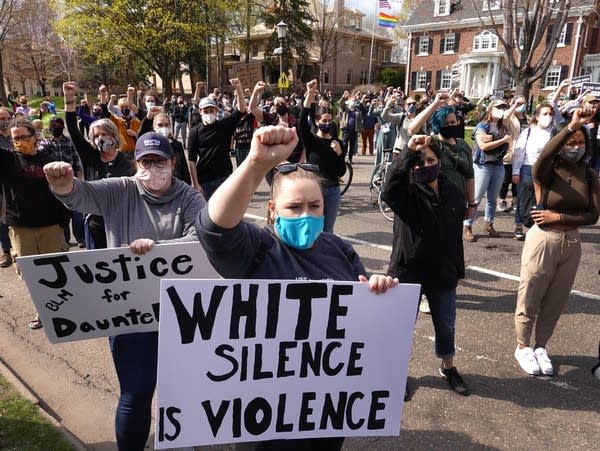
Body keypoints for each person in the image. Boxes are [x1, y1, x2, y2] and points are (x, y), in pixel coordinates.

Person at [196, 124, 398, 451]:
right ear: (273, 211)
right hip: (262, 425)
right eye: (294, 208)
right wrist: (255, 164)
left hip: (323, 417)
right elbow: (213, 227)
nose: (306, 215)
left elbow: (365, 326)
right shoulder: (256, 249)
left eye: (314, 206)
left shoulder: (339, 250)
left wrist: (379, 293)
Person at [44, 131, 205, 451]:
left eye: (160, 162)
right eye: (146, 162)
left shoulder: (189, 197)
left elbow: (201, 238)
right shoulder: (121, 188)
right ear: (136, 164)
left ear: (173, 163)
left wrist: (157, 250)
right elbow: (82, 195)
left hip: (180, 313)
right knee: (136, 393)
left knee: (186, 393)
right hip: (130, 314)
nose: (153, 168)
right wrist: (63, 186)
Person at [513, 108, 600, 376]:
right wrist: (570, 126)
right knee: (531, 292)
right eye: (570, 142)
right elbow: (544, 157)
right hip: (543, 239)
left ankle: (541, 346)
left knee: (556, 298)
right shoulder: (547, 171)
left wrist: (558, 215)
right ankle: (522, 346)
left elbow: (592, 215)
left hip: (571, 241)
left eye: (580, 142)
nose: (575, 147)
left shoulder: (589, 175)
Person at [381, 135, 469, 396]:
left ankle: (448, 366)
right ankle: (397, 372)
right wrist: (409, 152)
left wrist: (457, 269)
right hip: (408, 271)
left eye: (431, 160)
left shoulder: (452, 189)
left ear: (439, 162)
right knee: (402, 327)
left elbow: (454, 234)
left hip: (442, 272)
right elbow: (388, 188)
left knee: (446, 324)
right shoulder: (405, 192)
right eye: (419, 163)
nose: (425, 166)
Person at [0, 121, 70, 329]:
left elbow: (63, 192)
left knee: (55, 274)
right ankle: (42, 310)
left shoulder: (49, 161)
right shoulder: (7, 160)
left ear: (35, 136)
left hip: (50, 227)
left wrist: (62, 223)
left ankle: (59, 310)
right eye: (16, 138)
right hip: (21, 229)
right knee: (30, 275)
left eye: (24, 136)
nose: (21, 142)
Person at [63, 81, 135, 249]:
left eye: (105, 134)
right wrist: (69, 99)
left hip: (123, 225)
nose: (101, 138)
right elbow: (73, 129)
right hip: (96, 225)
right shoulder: (90, 158)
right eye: (96, 136)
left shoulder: (128, 161)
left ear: (114, 136)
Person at [187, 78, 247, 200]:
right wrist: (195, 183)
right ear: (200, 111)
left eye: (211, 110)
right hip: (204, 180)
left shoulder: (224, 125)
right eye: (206, 111)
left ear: (216, 110)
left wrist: (239, 88)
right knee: (206, 213)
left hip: (224, 177)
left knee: (226, 211)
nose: (209, 113)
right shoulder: (195, 132)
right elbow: (191, 159)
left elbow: (241, 110)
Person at [299, 79, 345, 233]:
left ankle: (325, 256)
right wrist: (310, 95)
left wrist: (338, 154)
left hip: (332, 191)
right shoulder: (311, 140)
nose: (327, 123)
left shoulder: (336, 142)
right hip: (314, 189)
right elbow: (301, 125)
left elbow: (341, 171)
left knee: (327, 229)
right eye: (324, 121)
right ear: (317, 122)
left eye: (330, 121)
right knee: (311, 227)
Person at [463, 99, 512, 240]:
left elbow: (509, 141)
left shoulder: (503, 127)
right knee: (475, 198)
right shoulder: (481, 126)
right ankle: (467, 225)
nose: (501, 109)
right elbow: (483, 146)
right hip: (482, 166)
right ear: (490, 109)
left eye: (503, 107)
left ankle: (488, 224)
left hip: (498, 165)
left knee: (492, 199)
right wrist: (501, 140)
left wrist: (492, 138)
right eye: (498, 107)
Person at [428, 106, 477, 240]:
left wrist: (471, 203)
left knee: (453, 241)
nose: (449, 126)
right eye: (445, 123)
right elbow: (412, 130)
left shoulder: (463, 145)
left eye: (452, 122)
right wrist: (435, 103)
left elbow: (470, 175)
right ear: (438, 124)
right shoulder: (432, 144)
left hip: (458, 202)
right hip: (437, 202)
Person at [39, 117, 85, 246]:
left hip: (71, 180)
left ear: (63, 127)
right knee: (62, 214)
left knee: (77, 212)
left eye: (59, 126)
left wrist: (80, 174)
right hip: (54, 183)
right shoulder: (46, 144)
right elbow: (41, 157)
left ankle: (80, 238)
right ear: (50, 128)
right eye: (54, 126)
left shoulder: (69, 142)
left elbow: (76, 158)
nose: (57, 128)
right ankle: (65, 240)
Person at [511, 102, 555, 240]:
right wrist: (516, 171)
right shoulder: (528, 131)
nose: (548, 117)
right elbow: (519, 152)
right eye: (545, 114)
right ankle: (519, 225)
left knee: (542, 200)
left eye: (551, 114)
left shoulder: (554, 132)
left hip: (547, 170)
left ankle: (537, 226)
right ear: (537, 116)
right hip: (528, 168)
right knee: (524, 199)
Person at [249, 81, 304, 163]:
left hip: (292, 163)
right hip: (274, 164)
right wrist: (256, 91)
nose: (280, 105)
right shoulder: (270, 119)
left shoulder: (296, 123)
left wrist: (300, 164)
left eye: (282, 103)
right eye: (277, 104)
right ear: (274, 107)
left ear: (287, 104)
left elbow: (304, 145)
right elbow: (253, 108)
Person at [137, 108, 191, 184]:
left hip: (176, 186)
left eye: (166, 125)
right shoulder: (151, 146)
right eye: (160, 125)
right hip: (156, 184)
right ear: (154, 127)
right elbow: (140, 138)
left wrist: (187, 188)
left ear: (170, 126)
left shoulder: (177, 145)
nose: (163, 128)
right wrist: (148, 118)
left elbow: (184, 169)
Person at [0, 107, 14, 267]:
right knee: (2, 220)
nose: (4, 121)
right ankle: (6, 251)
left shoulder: (17, 135)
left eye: (6, 117)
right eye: (1, 118)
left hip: (19, 183)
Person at [338, 91, 363, 163]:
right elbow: (341, 104)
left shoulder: (357, 111)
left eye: (354, 102)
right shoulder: (346, 109)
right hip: (346, 129)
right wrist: (343, 97)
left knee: (352, 145)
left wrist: (359, 131)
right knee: (344, 144)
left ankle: (350, 159)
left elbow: (359, 121)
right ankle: (342, 158)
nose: (353, 103)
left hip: (354, 130)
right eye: (352, 101)